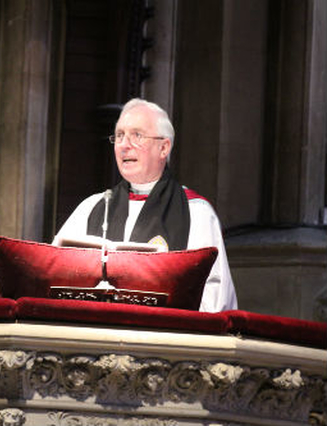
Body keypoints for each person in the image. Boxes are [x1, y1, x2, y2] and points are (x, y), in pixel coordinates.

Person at [52, 98, 237, 312]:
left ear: (163, 148)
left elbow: (215, 297)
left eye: (137, 135)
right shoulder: (92, 208)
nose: (124, 145)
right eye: (119, 136)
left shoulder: (195, 212)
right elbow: (55, 275)